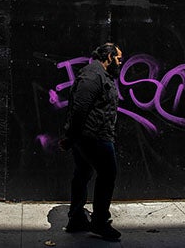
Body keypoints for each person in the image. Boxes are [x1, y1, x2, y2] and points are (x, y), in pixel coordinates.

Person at [61, 43, 123, 241]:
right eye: (119, 58)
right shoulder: (92, 76)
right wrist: (70, 138)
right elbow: (79, 109)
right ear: (109, 56)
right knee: (108, 174)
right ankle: (99, 222)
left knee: (83, 173)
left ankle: (77, 218)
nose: (120, 62)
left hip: (90, 135)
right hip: (93, 136)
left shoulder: (100, 75)